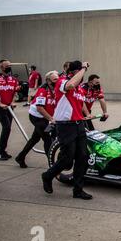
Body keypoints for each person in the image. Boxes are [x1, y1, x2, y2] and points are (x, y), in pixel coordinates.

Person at [41, 60, 93, 200]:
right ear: (75, 71)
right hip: (65, 125)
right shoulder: (62, 81)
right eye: (80, 72)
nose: (83, 75)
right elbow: (70, 85)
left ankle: (78, 190)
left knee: (83, 157)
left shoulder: (80, 88)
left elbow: (80, 104)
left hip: (79, 124)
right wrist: (84, 68)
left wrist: (87, 115)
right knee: (67, 158)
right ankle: (47, 176)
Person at [15, 71, 59, 168]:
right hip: (37, 117)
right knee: (47, 139)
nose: (58, 80)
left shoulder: (56, 89)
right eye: (55, 79)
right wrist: (51, 119)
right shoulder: (42, 90)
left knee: (35, 138)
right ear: (48, 81)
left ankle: (20, 157)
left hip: (45, 117)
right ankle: (53, 166)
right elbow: (40, 108)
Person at [0, 59, 20, 160]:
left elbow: (14, 93)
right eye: (7, 66)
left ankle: (3, 150)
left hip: (9, 108)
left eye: (10, 66)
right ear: (1, 67)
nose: (9, 68)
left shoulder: (14, 79)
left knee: (8, 129)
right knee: (6, 127)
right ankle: (0, 151)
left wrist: (13, 101)